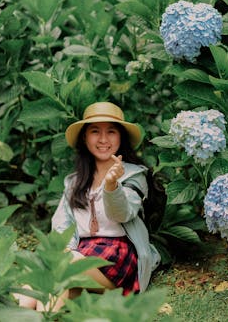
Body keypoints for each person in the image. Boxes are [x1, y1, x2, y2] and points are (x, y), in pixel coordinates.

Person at [16, 101, 160, 310]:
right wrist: (63, 250)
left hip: (117, 256)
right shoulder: (75, 181)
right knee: (38, 289)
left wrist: (111, 185)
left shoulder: (133, 175)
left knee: (61, 265)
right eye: (95, 131)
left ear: (121, 137)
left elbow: (123, 214)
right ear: (85, 137)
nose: (103, 139)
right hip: (81, 253)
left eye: (111, 131)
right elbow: (62, 225)